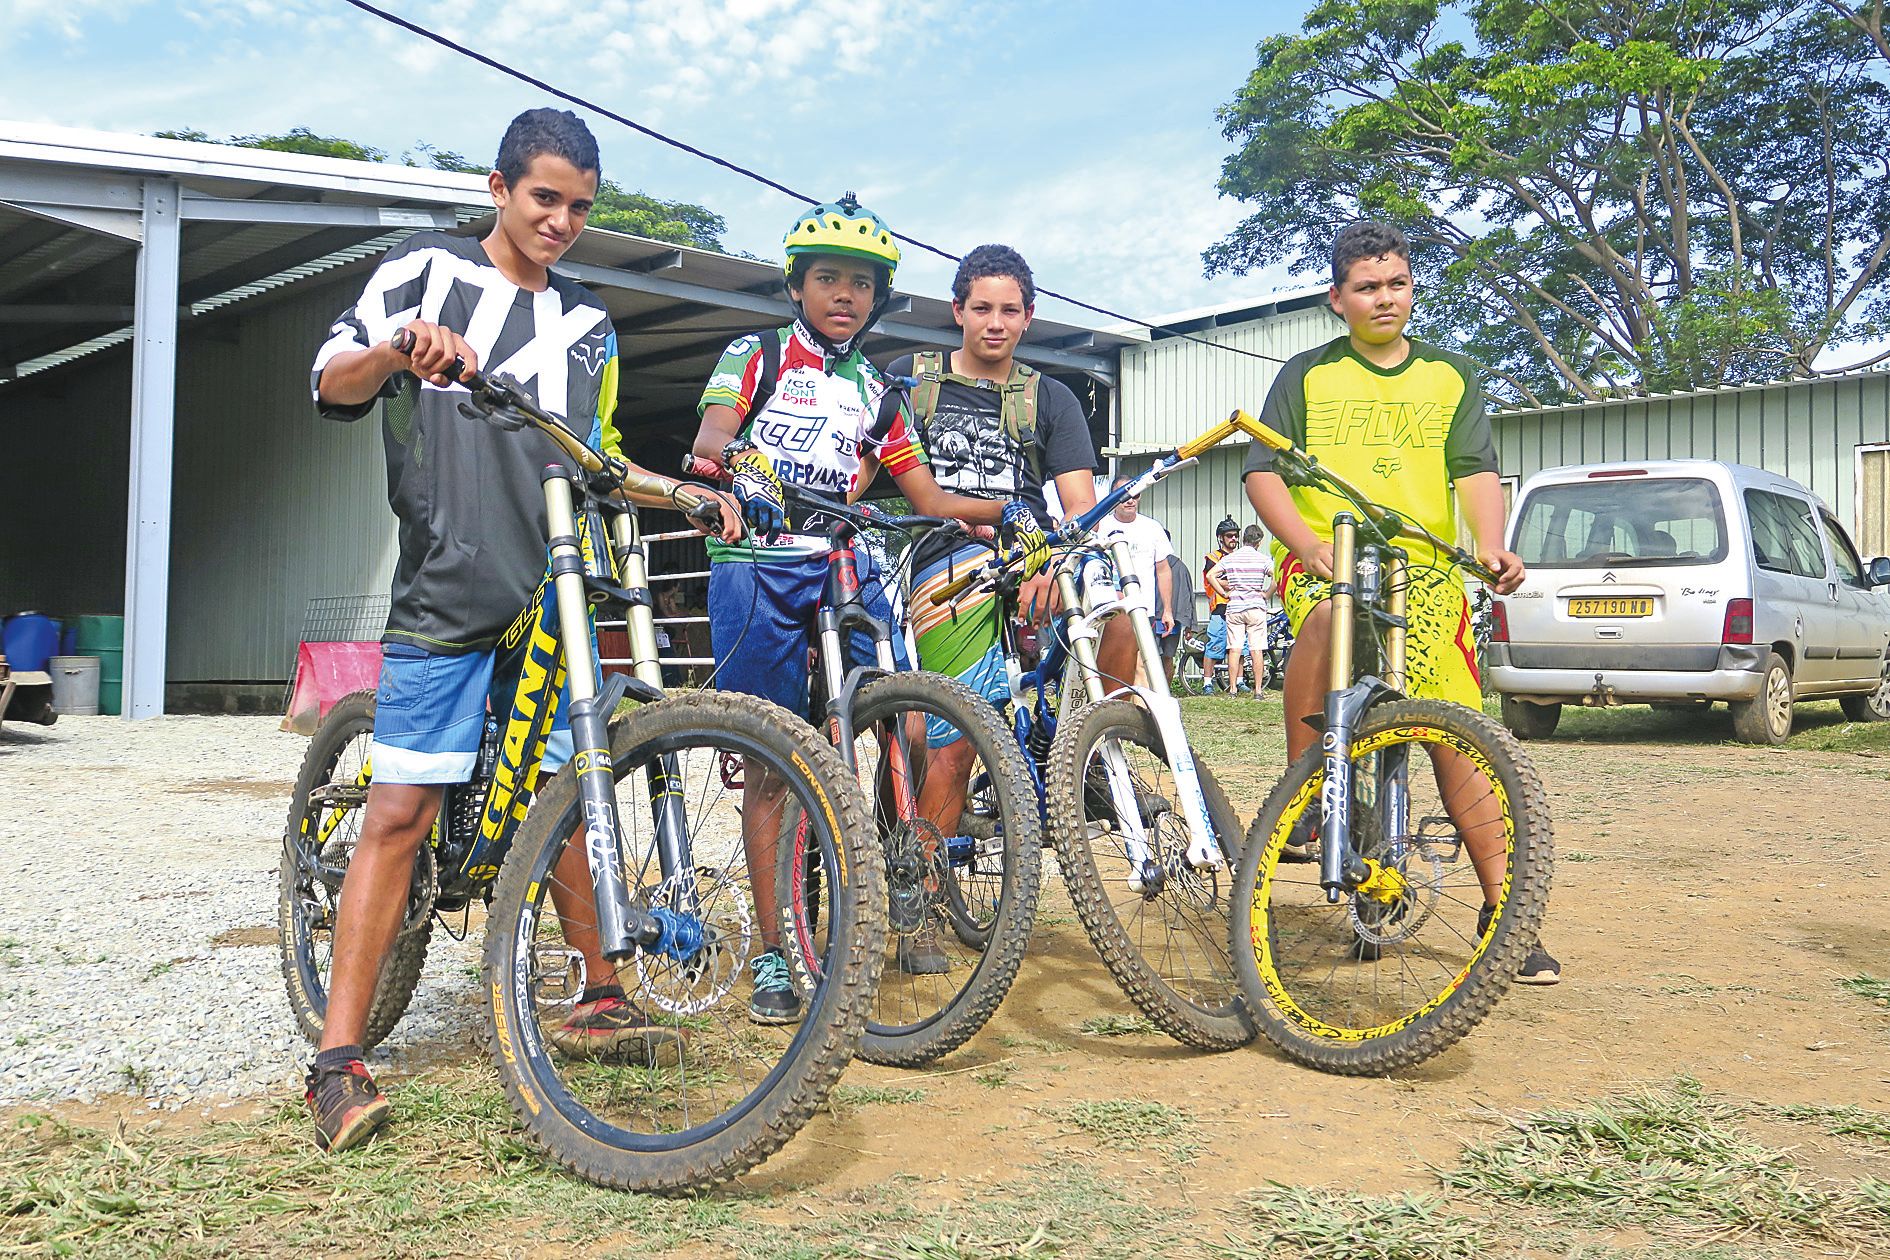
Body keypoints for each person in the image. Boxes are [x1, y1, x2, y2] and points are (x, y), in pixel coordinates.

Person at [305, 109, 741, 1154]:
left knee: (568, 798)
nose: (561, 221)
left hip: (552, 594)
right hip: (448, 587)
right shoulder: (427, 270)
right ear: (498, 188)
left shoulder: (590, 324)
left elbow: (598, 457)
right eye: (545, 197)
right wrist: (399, 350)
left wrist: (680, 490)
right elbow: (331, 380)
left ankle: (599, 994)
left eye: (579, 206)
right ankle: (336, 1060)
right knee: (400, 814)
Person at [689, 198, 1024, 1019]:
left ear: (878, 299)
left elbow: (927, 496)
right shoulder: (759, 353)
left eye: (862, 284)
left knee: (907, 723)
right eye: (828, 278)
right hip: (761, 561)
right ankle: (775, 953)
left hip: (844, 560)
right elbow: (709, 441)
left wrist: (1009, 512)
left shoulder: (879, 390)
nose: (845, 294)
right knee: (774, 764)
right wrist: (743, 464)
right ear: (797, 285)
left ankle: (897, 895)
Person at [1240, 219, 1559, 986]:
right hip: (1330, 560)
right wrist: (1304, 543)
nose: (1384, 298)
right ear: (1337, 299)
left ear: (1411, 289)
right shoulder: (1306, 376)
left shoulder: (1451, 375)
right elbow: (1262, 473)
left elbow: (1474, 471)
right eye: (1367, 287)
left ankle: (1504, 912)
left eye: (1397, 284)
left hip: (1426, 572)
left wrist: (1491, 545)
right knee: (1329, 615)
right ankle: (1307, 790)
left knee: (1457, 734)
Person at [1094, 474, 1176, 677]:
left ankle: (1141, 699)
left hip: (1143, 609)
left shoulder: (1152, 527)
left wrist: (1167, 610)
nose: (1130, 500)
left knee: (1141, 664)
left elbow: (1163, 570)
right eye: (1124, 495)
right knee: (1108, 663)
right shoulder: (1100, 527)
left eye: (1136, 494)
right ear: (1113, 497)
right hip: (1109, 609)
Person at [1204, 525, 1274, 694]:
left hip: (1235, 607)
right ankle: (1258, 690)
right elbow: (1277, 577)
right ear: (1259, 542)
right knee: (1256, 649)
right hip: (1256, 607)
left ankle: (1233, 688)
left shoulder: (1231, 558)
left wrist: (1223, 593)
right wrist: (1267, 594)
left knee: (1234, 648)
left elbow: (1210, 575)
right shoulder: (1263, 559)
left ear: (1243, 539)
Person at [1201, 517, 1241, 693]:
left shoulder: (1240, 557)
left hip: (1238, 607)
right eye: (1229, 536)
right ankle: (1207, 683)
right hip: (1220, 608)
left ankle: (1239, 681)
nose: (1233, 539)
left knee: (1240, 647)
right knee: (1214, 644)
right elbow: (1215, 579)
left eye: (1235, 536)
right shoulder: (1212, 558)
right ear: (1221, 538)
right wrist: (1235, 581)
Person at [1157, 546, 1197, 683]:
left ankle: (1149, 691)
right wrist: (1190, 624)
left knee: (1145, 658)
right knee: (1168, 658)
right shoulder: (1180, 566)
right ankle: (1166, 691)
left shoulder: (1147, 563)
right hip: (1172, 620)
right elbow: (1188, 595)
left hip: (1151, 618)